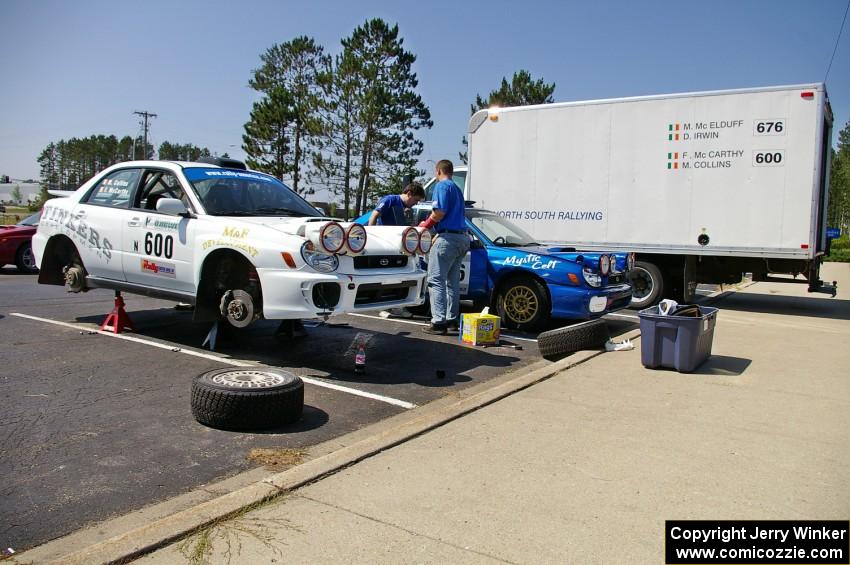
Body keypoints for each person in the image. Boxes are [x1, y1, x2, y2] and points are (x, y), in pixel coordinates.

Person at [419, 160, 469, 335]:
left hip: (447, 239)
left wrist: (425, 225)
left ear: (438, 171)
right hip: (462, 238)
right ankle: (451, 320)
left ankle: (438, 322)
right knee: (452, 283)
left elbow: (439, 212)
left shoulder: (441, 186)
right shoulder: (456, 189)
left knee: (436, 280)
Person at [368, 182, 425, 318]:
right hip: (385, 245)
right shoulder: (390, 200)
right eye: (415, 200)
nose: (415, 203)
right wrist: (371, 236)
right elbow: (374, 216)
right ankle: (384, 307)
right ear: (409, 194)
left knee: (399, 278)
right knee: (385, 278)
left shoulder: (405, 209)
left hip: (399, 248)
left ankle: (397, 307)